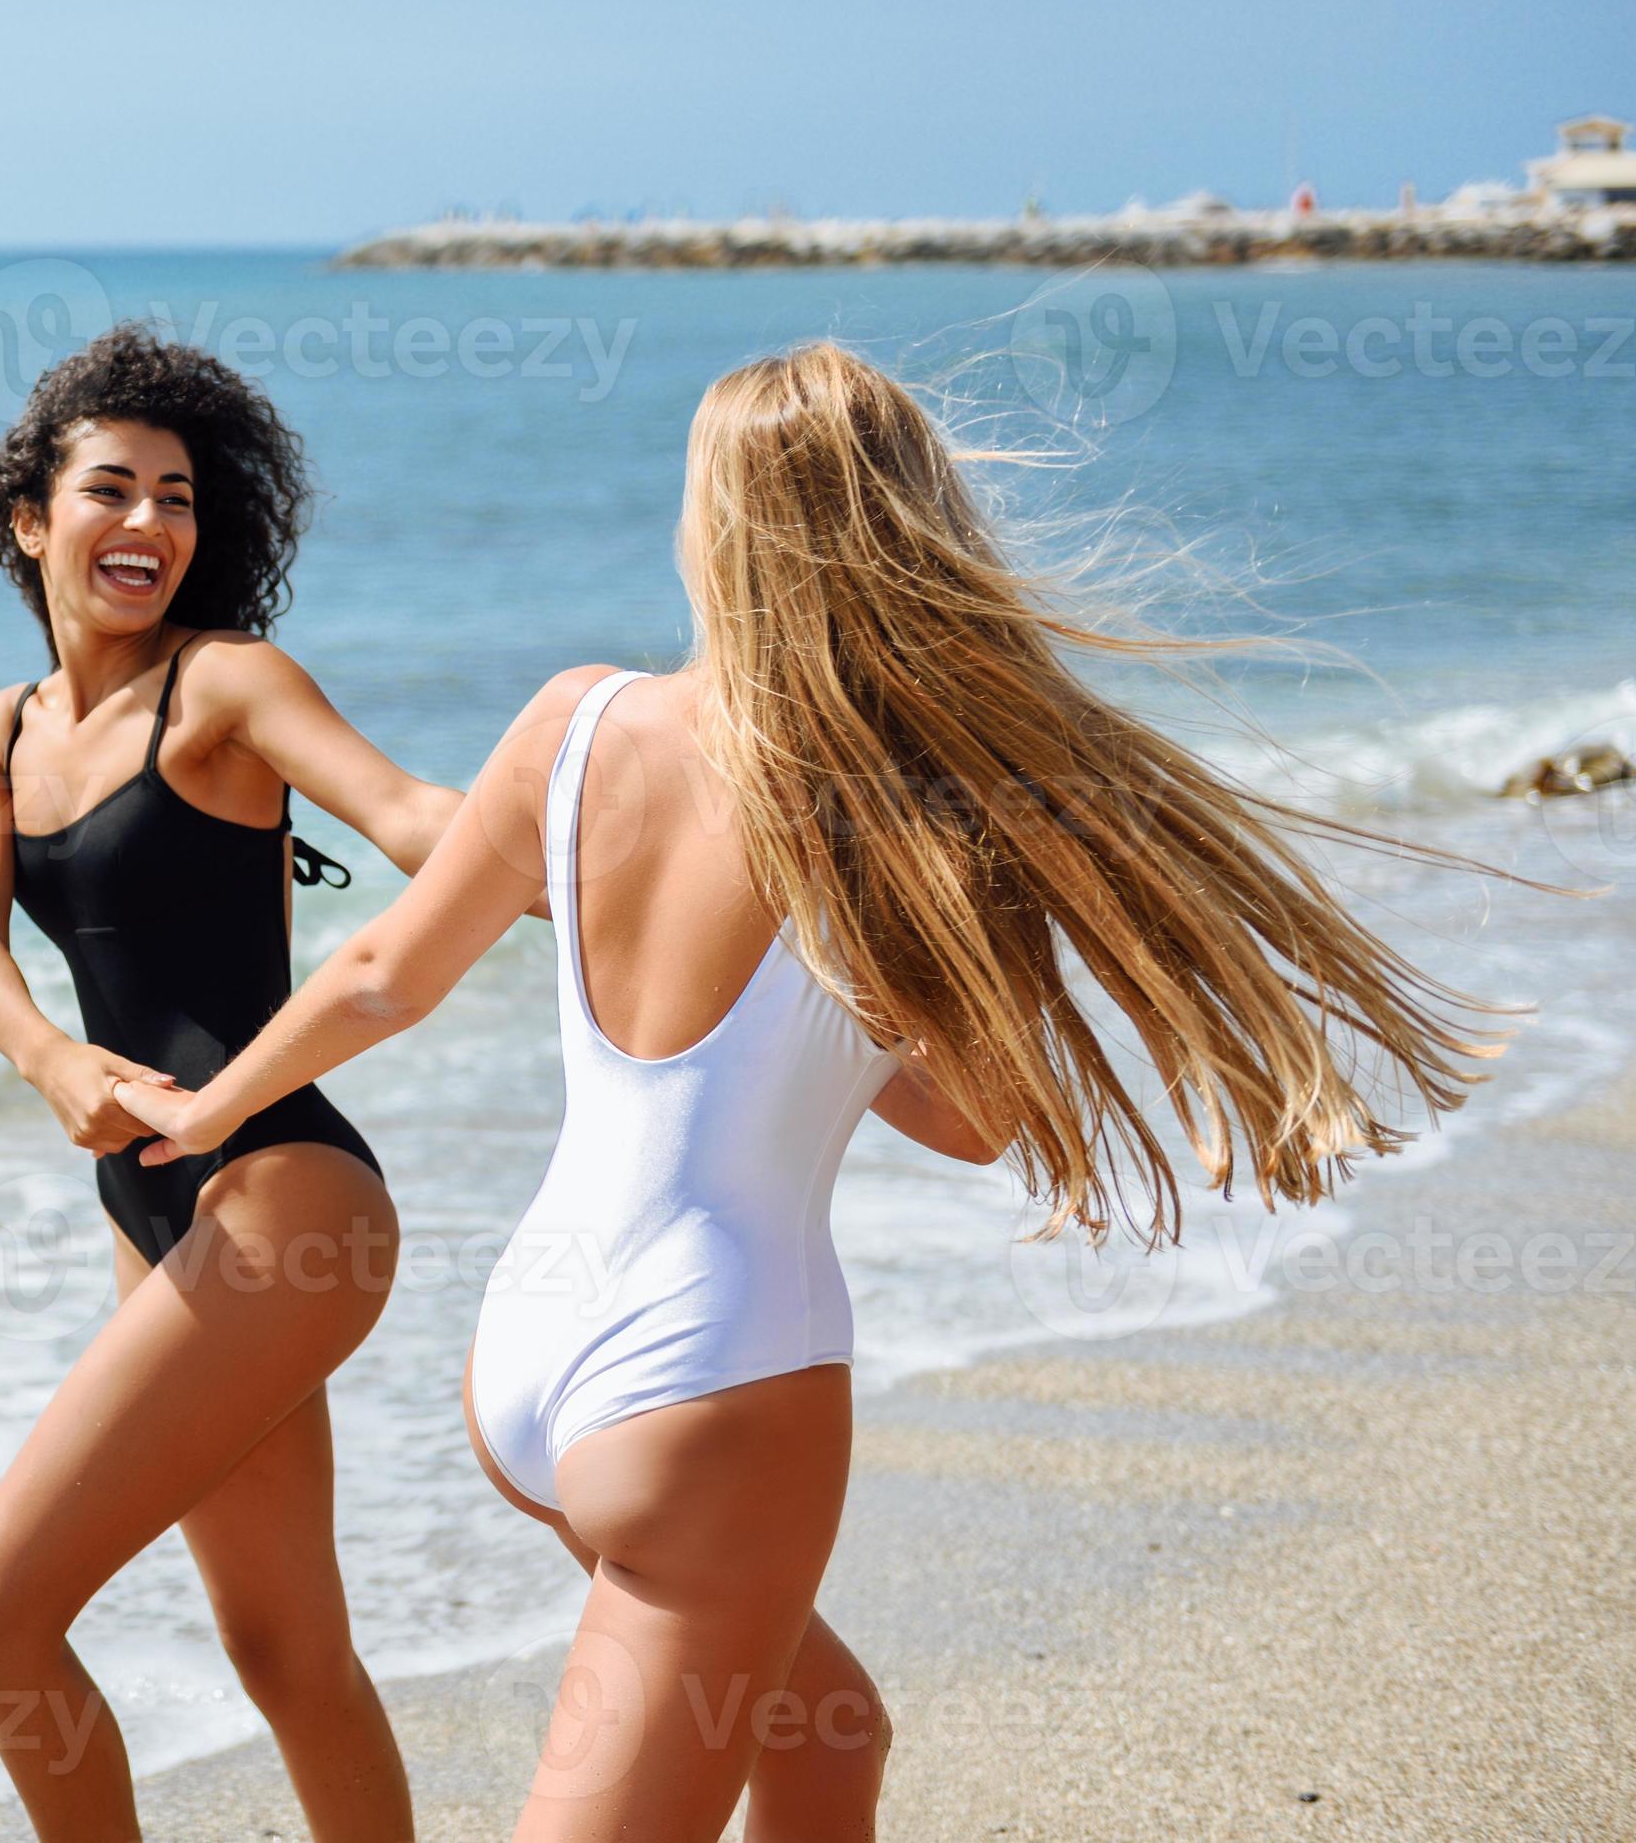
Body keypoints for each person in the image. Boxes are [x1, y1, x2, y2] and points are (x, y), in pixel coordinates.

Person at [119, 341, 1512, 1840]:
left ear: (708, 522)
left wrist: (206, 1112)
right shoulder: (898, 810)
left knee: (828, 1741)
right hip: (711, 1383)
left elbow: (385, 970)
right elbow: (980, 1125)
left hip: (529, 1356)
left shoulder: (573, 724)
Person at [0, 324, 487, 1841]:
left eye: (177, 498)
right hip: (149, 1207)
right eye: (110, 489)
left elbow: (411, 812)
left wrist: (595, 842)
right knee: (285, 1649)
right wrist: (48, 1058)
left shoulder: (228, 685)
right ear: (26, 521)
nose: (149, 524)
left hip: (282, 1189)